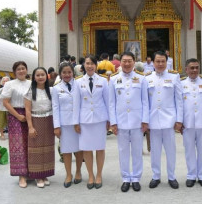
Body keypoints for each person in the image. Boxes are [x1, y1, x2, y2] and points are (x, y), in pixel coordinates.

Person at [109, 51, 149, 192]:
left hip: (137, 122)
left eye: (129, 61)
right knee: (123, 151)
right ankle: (126, 178)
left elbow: (145, 101)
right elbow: (111, 103)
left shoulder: (142, 78)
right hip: (121, 122)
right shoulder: (114, 79)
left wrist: (145, 120)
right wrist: (113, 122)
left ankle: (136, 178)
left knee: (137, 151)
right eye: (124, 61)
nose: (126, 63)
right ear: (120, 62)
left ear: (134, 62)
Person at [145, 51, 183, 189]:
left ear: (167, 62)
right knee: (155, 150)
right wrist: (145, 120)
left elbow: (179, 100)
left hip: (169, 120)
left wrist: (179, 120)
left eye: (163, 61)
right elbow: (145, 102)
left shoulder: (174, 77)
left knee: (170, 150)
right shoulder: (147, 78)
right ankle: (156, 176)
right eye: (158, 61)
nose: (160, 64)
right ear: (153, 63)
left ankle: (172, 176)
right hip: (153, 120)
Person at [74, 55, 109, 189]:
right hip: (84, 120)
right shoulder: (78, 82)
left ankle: (99, 174)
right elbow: (76, 103)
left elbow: (107, 101)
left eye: (92, 63)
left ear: (96, 65)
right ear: (84, 66)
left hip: (100, 119)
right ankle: (90, 175)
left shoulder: (103, 81)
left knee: (100, 148)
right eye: (87, 63)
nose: (90, 66)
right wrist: (76, 122)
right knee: (87, 149)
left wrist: (109, 120)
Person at [181, 58, 202, 188]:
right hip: (187, 123)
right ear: (186, 70)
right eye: (192, 68)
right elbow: (179, 104)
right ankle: (191, 175)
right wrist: (179, 121)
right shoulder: (181, 83)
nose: (194, 70)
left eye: (196, 67)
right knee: (189, 150)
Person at [52, 62, 83, 188]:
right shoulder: (56, 88)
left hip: (78, 123)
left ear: (73, 73)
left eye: (69, 72)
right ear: (60, 74)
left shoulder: (80, 85)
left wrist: (80, 121)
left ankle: (78, 172)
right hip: (64, 123)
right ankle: (68, 174)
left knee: (79, 149)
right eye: (64, 72)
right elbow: (55, 107)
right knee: (66, 150)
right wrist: (56, 126)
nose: (67, 75)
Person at [2, 61, 32, 188]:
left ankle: (32, 171)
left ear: (26, 70)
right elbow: (6, 102)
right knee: (18, 144)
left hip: (30, 114)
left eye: (23, 68)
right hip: (16, 115)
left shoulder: (32, 83)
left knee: (31, 143)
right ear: (14, 71)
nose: (21, 71)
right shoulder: (9, 84)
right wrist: (18, 115)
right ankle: (21, 175)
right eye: (18, 69)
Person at [24, 67, 55, 188]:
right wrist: (30, 127)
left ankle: (45, 174)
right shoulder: (30, 91)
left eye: (43, 75)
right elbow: (27, 110)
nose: (40, 77)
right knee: (35, 149)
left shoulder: (51, 91)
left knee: (47, 149)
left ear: (46, 76)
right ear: (34, 77)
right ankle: (37, 176)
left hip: (48, 120)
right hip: (35, 120)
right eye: (38, 75)